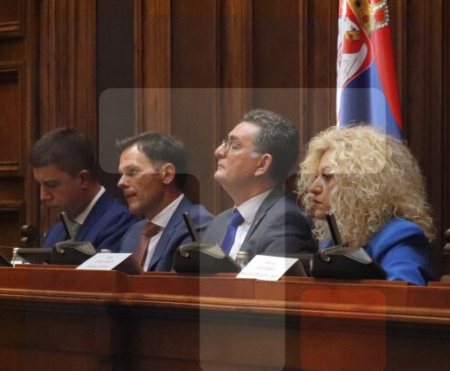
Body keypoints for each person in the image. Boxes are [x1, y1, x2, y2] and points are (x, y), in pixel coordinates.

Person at [297, 125, 435, 284]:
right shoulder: (332, 240)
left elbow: (402, 293)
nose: (313, 188)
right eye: (316, 176)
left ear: (360, 185)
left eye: (327, 176)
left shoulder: (399, 235)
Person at [200, 109, 316, 261]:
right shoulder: (219, 223)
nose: (218, 151)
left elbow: (272, 277)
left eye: (234, 146)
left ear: (262, 164)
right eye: (224, 144)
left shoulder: (286, 220)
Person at [117, 132, 214, 271]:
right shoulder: (133, 233)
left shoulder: (197, 226)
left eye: (132, 171)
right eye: (121, 174)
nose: (121, 183)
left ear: (167, 174)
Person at [29, 127, 137, 251]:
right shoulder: (55, 232)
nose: (43, 196)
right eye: (40, 185)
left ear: (83, 179)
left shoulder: (120, 223)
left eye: (52, 184)